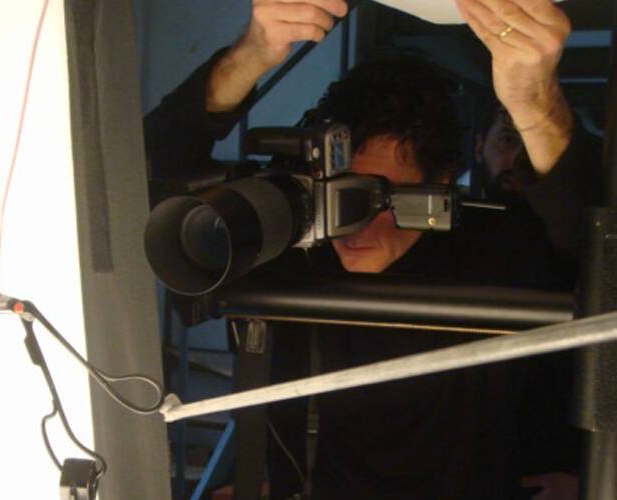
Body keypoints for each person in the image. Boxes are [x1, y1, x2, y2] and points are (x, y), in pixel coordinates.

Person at [144, 0, 598, 498]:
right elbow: (139, 175)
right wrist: (252, 54)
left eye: (380, 197)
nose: (353, 225)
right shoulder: (291, 247)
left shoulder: (494, 251)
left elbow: (594, 238)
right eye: (341, 195)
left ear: (442, 186)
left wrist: (534, 104)